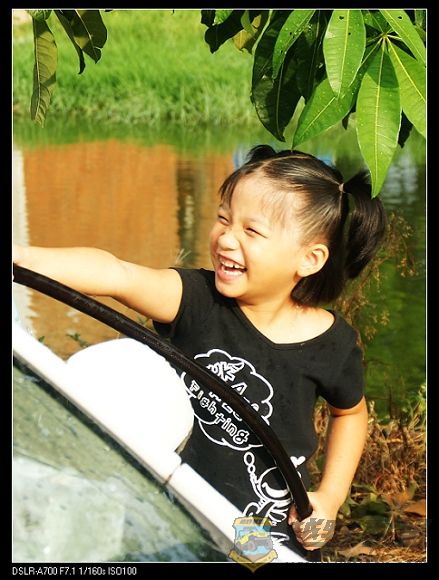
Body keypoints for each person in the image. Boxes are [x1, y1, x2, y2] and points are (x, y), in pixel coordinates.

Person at [13, 145, 387, 557]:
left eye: (252, 231)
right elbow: (117, 274)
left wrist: (330, 497)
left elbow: (350, 413)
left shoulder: (332, 344)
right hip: (174, 516)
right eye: (223, 218)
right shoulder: (194, 300)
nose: (226, 238)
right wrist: (21, 258)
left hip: (260, 532)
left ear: (309, 259)